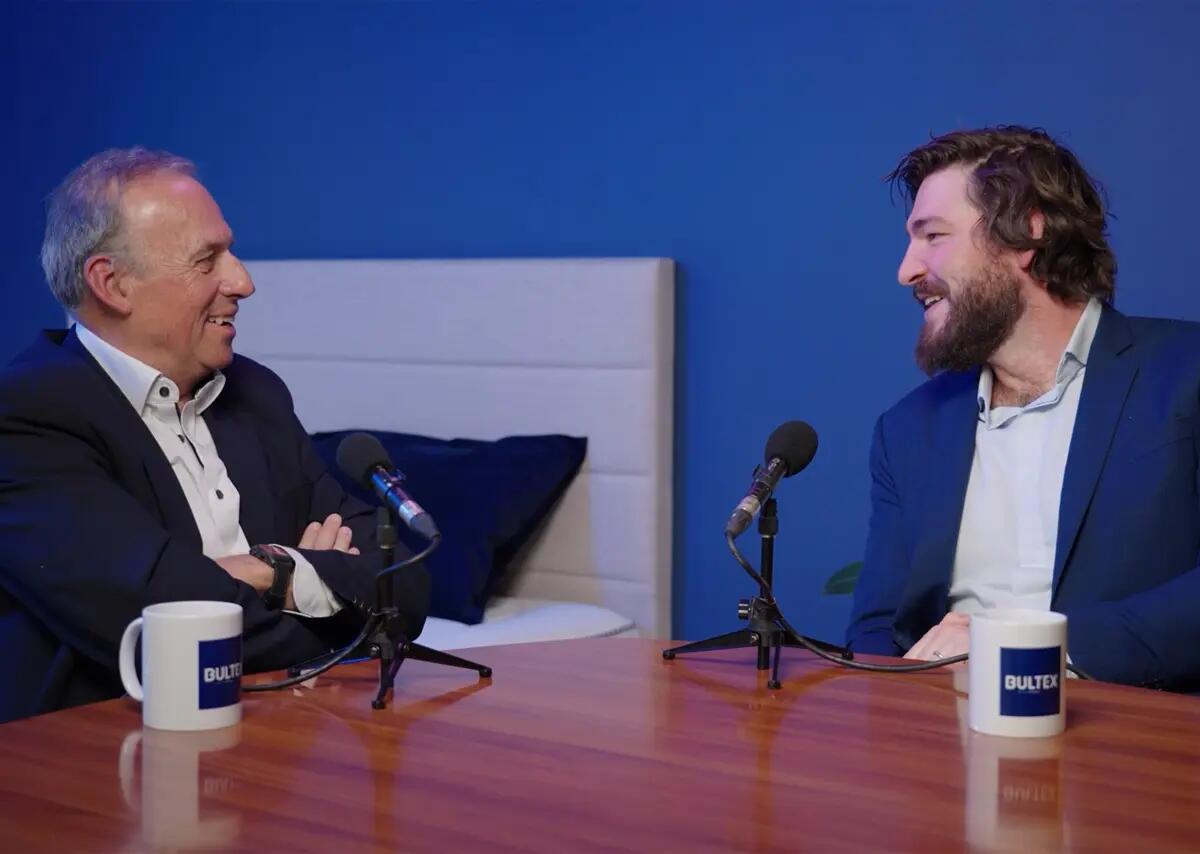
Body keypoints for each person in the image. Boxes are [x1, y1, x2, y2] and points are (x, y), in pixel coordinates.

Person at [0, 148, 429, 722]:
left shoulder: (256, 394)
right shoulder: (27, 416)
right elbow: (160, 629)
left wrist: (271, 570)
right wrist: (324, 597)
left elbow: (405, 585)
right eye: (207, 260)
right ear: (113, 283)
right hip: (100, 752)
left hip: (276, 740)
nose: (243, 282)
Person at [846, 126, 1200, 691]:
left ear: (1026, 233)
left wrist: (1032, 648)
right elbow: (876, 630)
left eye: (933, 235)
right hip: (946, 731)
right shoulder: (909, 429)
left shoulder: (1186, 374)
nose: (906, 270)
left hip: (1138, 731)